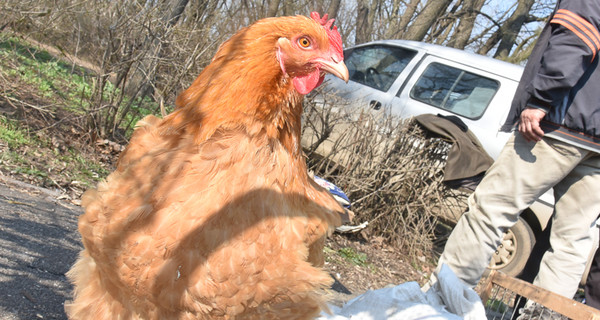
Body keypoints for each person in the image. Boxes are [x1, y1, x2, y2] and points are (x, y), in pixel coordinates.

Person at [435, 0, 600, 300]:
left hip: (558, 124)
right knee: (571, 242)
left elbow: (578, 37)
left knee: (491, 209)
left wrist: (541, 99)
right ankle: (545, 316)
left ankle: (440, 303)